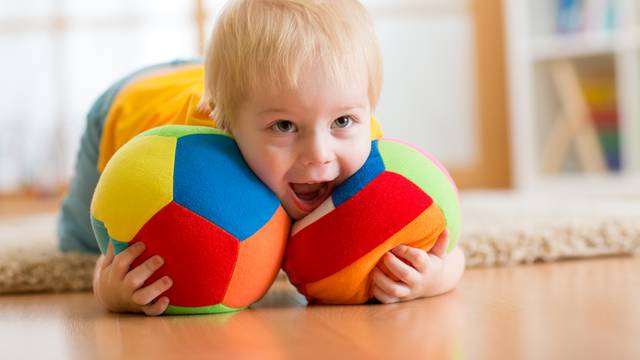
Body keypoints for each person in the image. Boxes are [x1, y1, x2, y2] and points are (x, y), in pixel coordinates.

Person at [58, 0, 465, 315]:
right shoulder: (193, 163)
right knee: (78, 239)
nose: (320, 155)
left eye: (342, 120)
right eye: (285, 127)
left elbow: (447, 248)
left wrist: (435, 276)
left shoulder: (368, 151)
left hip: (233, 85)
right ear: (228, 124)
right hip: (129, 103)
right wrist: (110, 289)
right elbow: (116, 251)